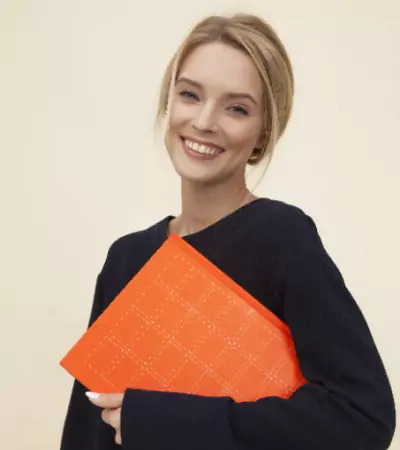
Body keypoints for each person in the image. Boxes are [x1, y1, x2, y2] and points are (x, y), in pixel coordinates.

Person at [60, 13, 396, 450]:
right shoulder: (127, 258)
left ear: (263, 133)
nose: (204, 121)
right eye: (189, 94)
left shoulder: (281, 238)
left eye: (236, 108)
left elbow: (362, 417)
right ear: (169, 102)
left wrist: (164, 421)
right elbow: (87, 430)